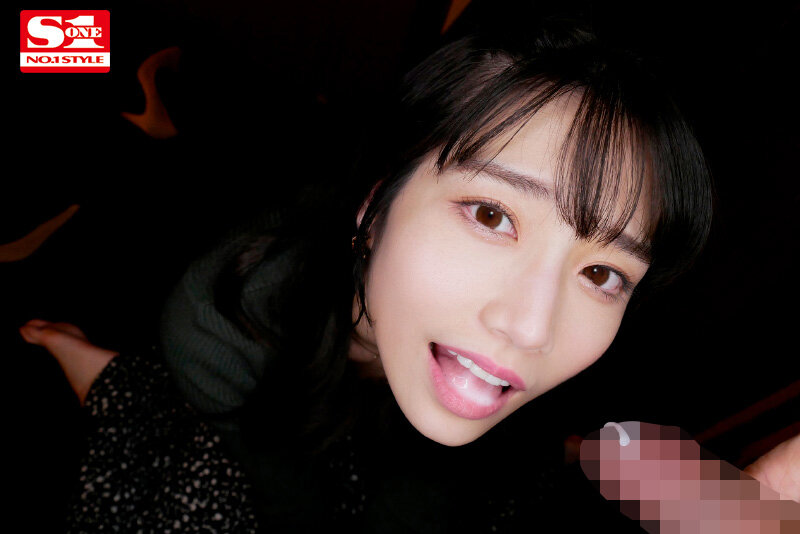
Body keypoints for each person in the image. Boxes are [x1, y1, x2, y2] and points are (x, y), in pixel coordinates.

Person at [21, 13, 795, 533]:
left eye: (603, 272)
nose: (531, 327)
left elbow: (464, 479)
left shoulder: (548, 368)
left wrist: (728, 504)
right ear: (374, 206)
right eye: (491, 214)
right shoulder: (218, 321)